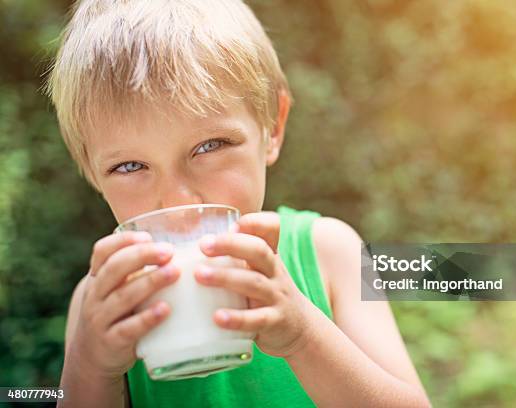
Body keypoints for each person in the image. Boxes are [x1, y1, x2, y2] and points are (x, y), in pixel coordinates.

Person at [45, 1, 430, 406]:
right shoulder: (101, 302)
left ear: (273, 127)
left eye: (210, 146)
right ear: (91, 171)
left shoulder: (329, 253)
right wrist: (91, 366)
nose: (178, 200)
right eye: (130, 166)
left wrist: (302, 335)